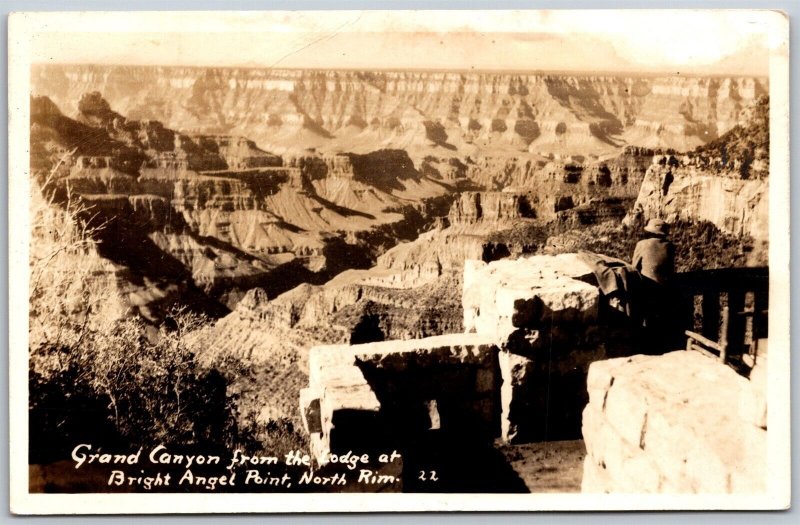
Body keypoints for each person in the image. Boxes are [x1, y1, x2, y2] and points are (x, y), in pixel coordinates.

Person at [632, 218, 676, 352]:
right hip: (665, 291)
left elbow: (634, 267)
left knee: (646, 321)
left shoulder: (642, 244)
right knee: (661, 323)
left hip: (647, 289)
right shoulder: (670, 246)